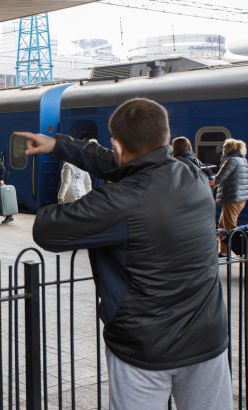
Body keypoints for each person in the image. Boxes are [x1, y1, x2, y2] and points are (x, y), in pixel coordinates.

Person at [16, 97, 231, 409]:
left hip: (144, 349)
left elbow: (47, 230)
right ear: (166, 137)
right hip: (208, 338)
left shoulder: (120, 202)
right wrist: (59, 146)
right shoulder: (193, 177)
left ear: (116, 144)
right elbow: (137, 165)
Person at [214, 138, 248, 257]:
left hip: (232, 198)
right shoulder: (242, 160)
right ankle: (224, 252)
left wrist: (209, 180)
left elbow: (219, 179)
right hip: (239, 198)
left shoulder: (232, 160)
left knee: (230, 228)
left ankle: (242, 252)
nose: (222, 150)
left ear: (229, 149)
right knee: (222, 226)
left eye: (224, 147)